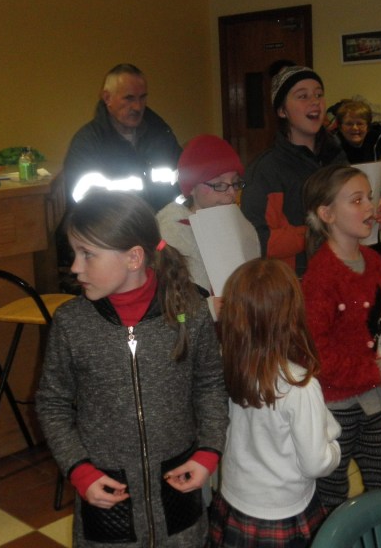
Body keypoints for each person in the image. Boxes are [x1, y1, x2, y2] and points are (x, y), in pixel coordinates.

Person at [35, 191, 228, 548]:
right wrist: (79, 469)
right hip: (107, 496)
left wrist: (208, 452)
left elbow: (210, 386)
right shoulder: (71, 323)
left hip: (178, 490)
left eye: (87, 254)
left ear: (134, 258)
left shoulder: (190, 311)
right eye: (74, 254)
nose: (75, 267)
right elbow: (52, 403)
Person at [206, 258, 342, 547]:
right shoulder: (299, 384)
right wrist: (334, 450)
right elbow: (316, 463)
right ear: (292, 316)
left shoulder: (228, 365)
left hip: (235, 500)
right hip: (284, 512)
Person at [301, 165, 381, 509]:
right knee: (331, 493)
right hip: (335, 407)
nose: (370, 208)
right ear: (327, 214)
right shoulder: (321, 276)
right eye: (356, 200)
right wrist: (374, 370)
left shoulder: (374, 261)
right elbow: (317, 352)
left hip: (370, 397)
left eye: (370, 198)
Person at [241, 64, 346, 276]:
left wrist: (368, 218)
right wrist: (315, 232)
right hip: (294, 283)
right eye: (302, 96)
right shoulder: (266, 169)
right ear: (282, 111)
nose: (315, 101)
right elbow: (256, 240)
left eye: (319, 94)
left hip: (341, 275)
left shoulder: (338, 159)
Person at [62, 63, 183, 212]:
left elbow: (185, 184)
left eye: (142, 97)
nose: (138, 107)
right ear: (107, 98)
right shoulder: (87, 143)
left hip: (166, 222)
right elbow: (85, 208)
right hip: (118, 226)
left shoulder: (161, 135)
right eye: (129, 98)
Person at [156, 134, 247, 297]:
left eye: (235, 183)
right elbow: (174, 298)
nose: (232, 193)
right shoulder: (173, 235)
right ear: (191, 188)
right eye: (219, 184)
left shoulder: (233, 224)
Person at [332, 99, 381, 164]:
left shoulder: (379, 138)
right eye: (349, 124)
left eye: (360, 124)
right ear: (340, 127)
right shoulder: (332, 144)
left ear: (368, 126)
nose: (355, 128)